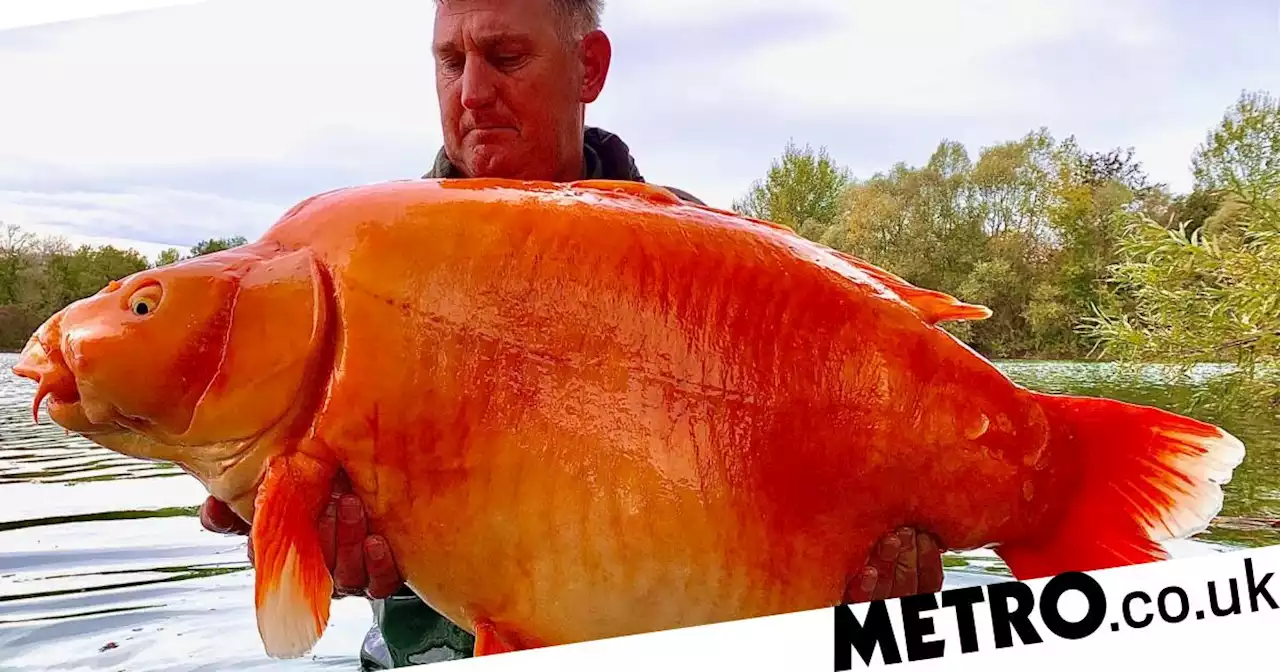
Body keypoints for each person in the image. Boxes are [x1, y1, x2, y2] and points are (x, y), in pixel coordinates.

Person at [198, 0, 947, 667]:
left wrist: (866, 601)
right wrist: (273, 517)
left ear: (589, 67)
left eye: (506, 56)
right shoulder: (361, 264)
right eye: (450, 61)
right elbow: (268, 495)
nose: (472, 93)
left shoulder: (715, 267)